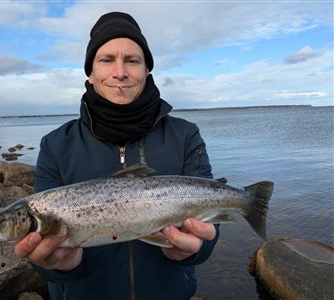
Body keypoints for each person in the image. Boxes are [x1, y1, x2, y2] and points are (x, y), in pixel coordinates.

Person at [14, 11, 219, 300]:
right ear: (90, 72)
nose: (120, 72)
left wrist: (198, 249)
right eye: (107, 59)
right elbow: (43, 248)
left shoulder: (185, 136)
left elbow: (211, 219)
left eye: (132, 60)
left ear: (147, 70)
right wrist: (59, 267)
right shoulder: (55, 145)